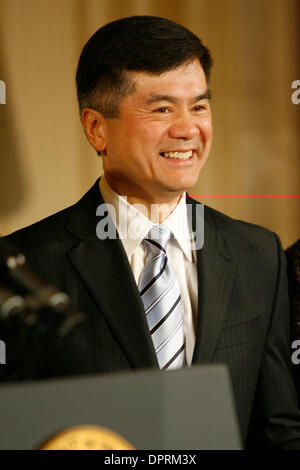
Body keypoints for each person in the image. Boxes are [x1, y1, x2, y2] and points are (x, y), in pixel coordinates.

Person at [1, 15, 300, 449]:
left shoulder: (258, 253)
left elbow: (280, 429)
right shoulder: (27, 265)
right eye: (161, 108)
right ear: (96, 128)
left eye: (198, 105)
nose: (188, 128)